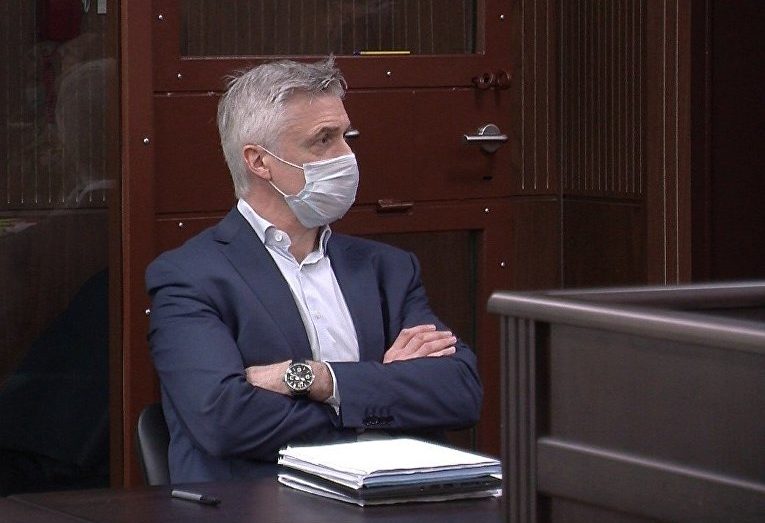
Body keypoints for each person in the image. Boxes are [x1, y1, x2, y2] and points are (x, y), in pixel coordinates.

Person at [145, 57, 483, 484]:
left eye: (346, 136)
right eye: (324, 140)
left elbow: (459, 392)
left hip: (389, 499)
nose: (347, 155)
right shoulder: (190, 276)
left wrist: (320, 380)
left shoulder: (387, 269)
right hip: (259, 505)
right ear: (259, 162)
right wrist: (377, 399)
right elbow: (224, 419)